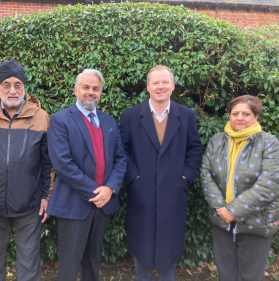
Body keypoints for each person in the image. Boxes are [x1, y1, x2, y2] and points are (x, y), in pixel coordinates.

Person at [0, 59, 52, 281]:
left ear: (25, 87)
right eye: (6, 84)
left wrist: (46, 195)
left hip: (30, 203)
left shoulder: (41, 117)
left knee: (29, 258)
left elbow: (48, 163)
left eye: (18, 84)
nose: (13, 90)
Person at [119, 65, 203, 281]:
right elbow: (122, 151)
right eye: (155, 82)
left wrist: (185, 177)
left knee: (170, 246)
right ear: (148, 87)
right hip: (141, 191)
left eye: (165, 82)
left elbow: (194, 148)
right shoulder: (130, 116)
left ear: (173, 86)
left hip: (173, 191)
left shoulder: (186, 115)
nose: (160, 87)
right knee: (142, 244)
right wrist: (133, 178)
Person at [46, 69, 126, 281]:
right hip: (73, 204)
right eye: (86, 87)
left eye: (95, 89)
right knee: (69, 264)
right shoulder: (60, 120)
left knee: (93, 261)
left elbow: (121, 159)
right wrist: (96, 192)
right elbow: (62, 164)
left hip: (103, 204)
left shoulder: (109, 122)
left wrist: (110, 188)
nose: (90, 92)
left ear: (100, 93)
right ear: (76, 90)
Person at [200, 95, 279, 281]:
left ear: (256, 116)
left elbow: (271, 183)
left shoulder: (269, 143)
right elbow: (205, 175)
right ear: (229, 115)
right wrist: (223, 210)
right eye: (235, 113)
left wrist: (234, 211)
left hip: (257, 222)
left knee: (250, 276)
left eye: (246, 113)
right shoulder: (216, 141)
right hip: (222, 221)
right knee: (226, 274)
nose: (240, 118)